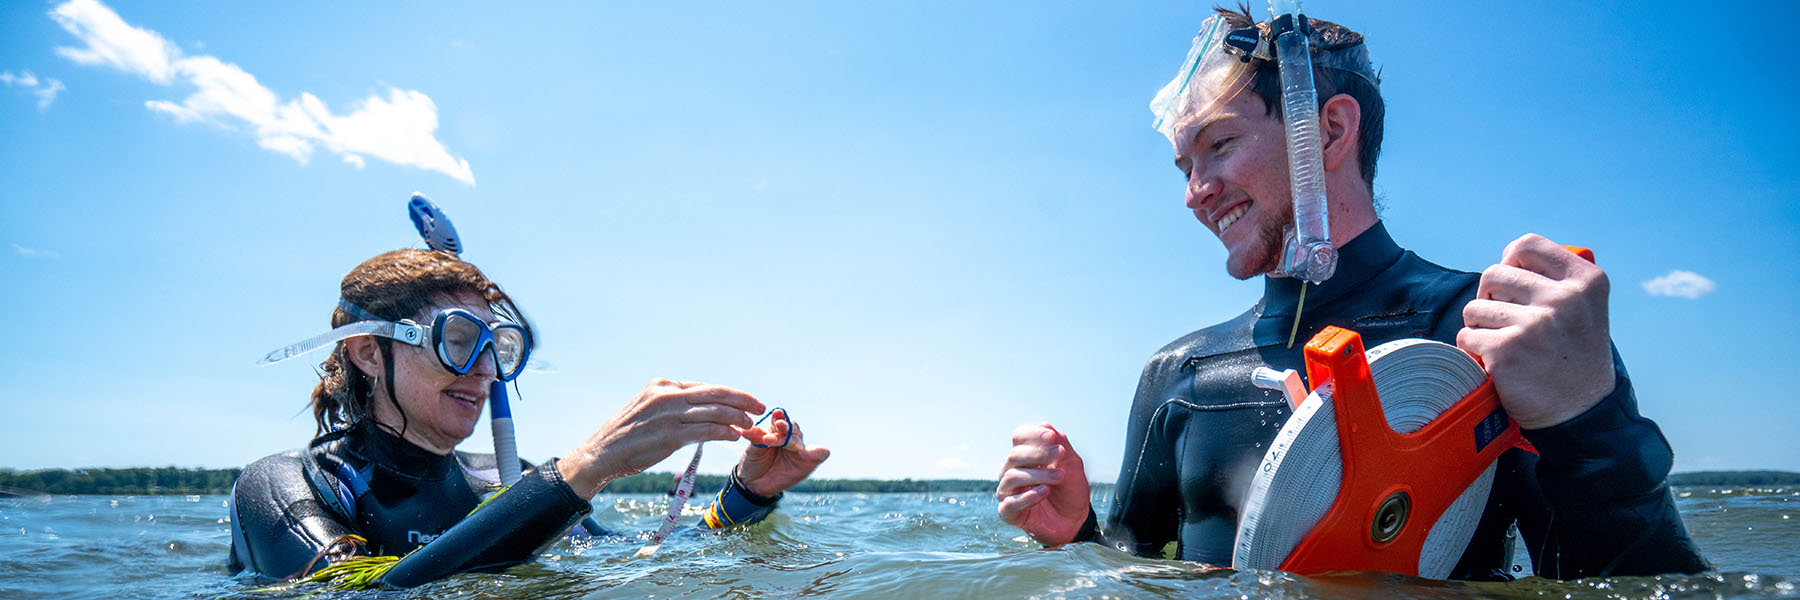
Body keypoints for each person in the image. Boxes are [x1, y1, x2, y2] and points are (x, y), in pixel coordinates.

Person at [995, 6, 1707, 580]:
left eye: (1217, 146)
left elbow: (1628, 583)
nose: (1193, 193)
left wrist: (1594, 424)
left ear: (1329, 130)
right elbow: (1141, 576)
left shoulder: (1496, 331)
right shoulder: (1177, 375)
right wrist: (1075, 537)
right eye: (1183, 164)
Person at [228, 249, 830, 587]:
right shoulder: (288, 487)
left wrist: (747, 493)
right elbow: (350, 592)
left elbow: (646, 553)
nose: (485, 369)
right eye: (459, 341)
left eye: (501, 348)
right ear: (368, 352)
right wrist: (583, 469)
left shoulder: (506, 484)